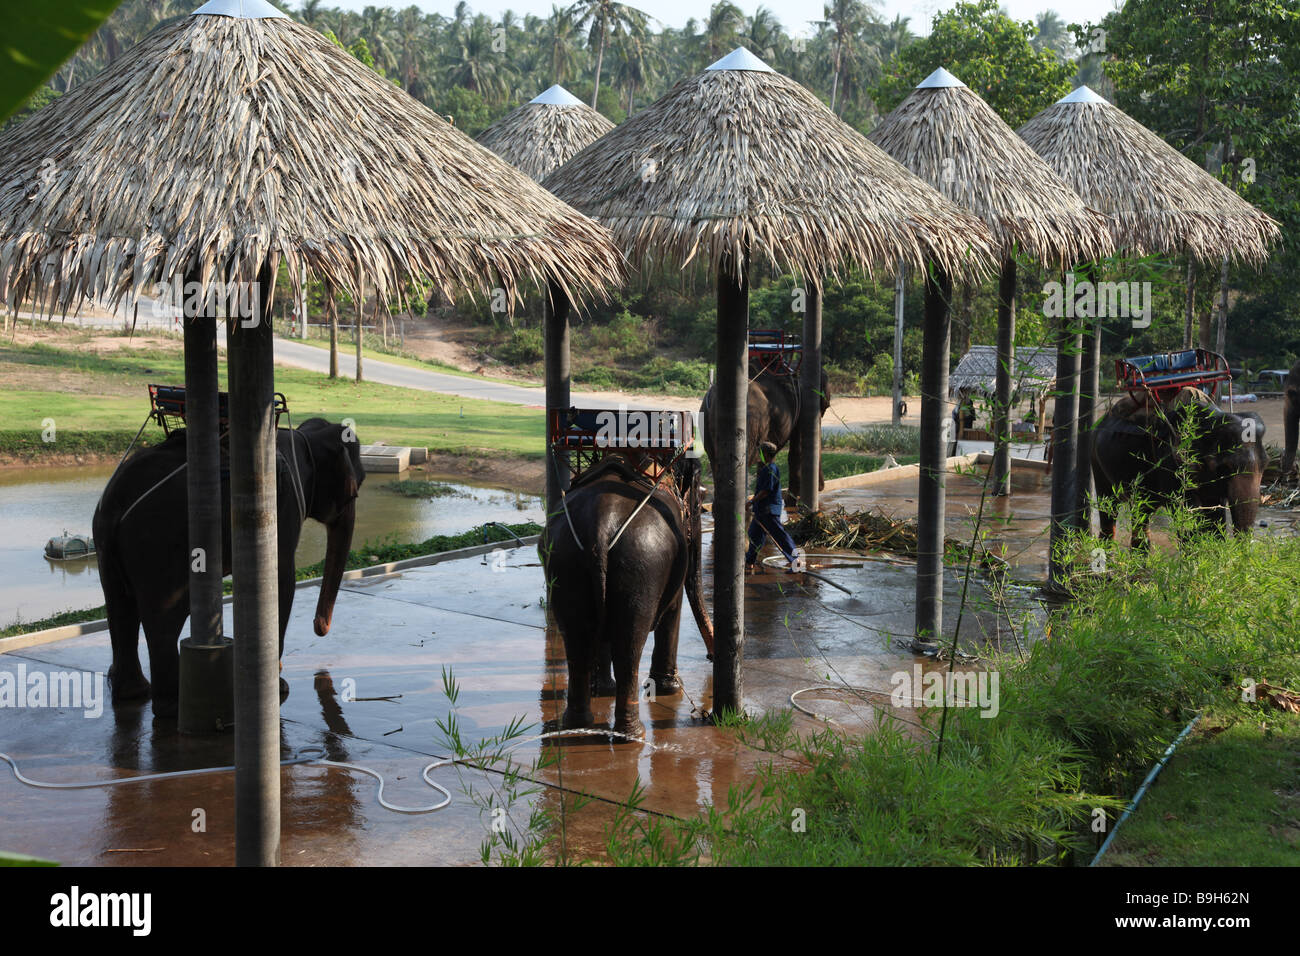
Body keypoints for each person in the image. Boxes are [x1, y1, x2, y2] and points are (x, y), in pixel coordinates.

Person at [745, 441, 804, 573]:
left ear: (765, 454)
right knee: (754, 535)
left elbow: (766, 491)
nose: (759, 455)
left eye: (760, 452)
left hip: (768, 510)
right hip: (761, 511)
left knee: (780, 536)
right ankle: (749, 562)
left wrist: (751, 501)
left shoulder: (770, 469)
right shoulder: (767, 468)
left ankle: (796, 561)